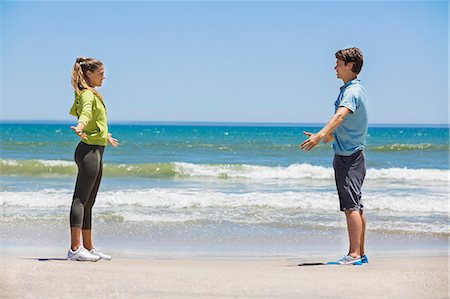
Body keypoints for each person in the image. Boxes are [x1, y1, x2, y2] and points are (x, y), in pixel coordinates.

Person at [300, 47, 368, 265]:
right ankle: (361, 254)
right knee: (355, 205)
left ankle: (354, 255)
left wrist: (320, 136)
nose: (335, 68)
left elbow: (339, 117)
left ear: (350, 66)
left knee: (351, 207)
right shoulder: (352, 89)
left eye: (338, 63)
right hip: (350, 154)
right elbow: (344, 128)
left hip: (349, 158)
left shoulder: (352, 92)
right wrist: (326, 138)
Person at [67, 57, 119, 261]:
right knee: (80, 199)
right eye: (101, 73)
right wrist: (80, 127)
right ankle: (74, 249)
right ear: (89, 73)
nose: (104, 77)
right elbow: (86, 115)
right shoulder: (88, 95)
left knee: (89, 202)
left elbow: (96, 120)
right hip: (88, 151)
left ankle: (88, 247)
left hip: (96, 149)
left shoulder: (92, 94)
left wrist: (105, 135)